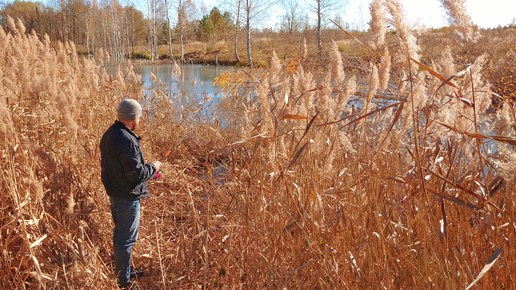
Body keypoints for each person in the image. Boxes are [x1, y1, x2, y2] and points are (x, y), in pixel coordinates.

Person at [100, 99, 162, 289]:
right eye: (139, 116)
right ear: (133, 118)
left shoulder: (110, 133)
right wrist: (154, 166)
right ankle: (124, 282)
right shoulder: (126, 140)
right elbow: (135, 174)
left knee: (121, 235)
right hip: (127, 197)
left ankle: (124, 270)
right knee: (125, 239)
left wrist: (148, 170)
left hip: (116, 193)